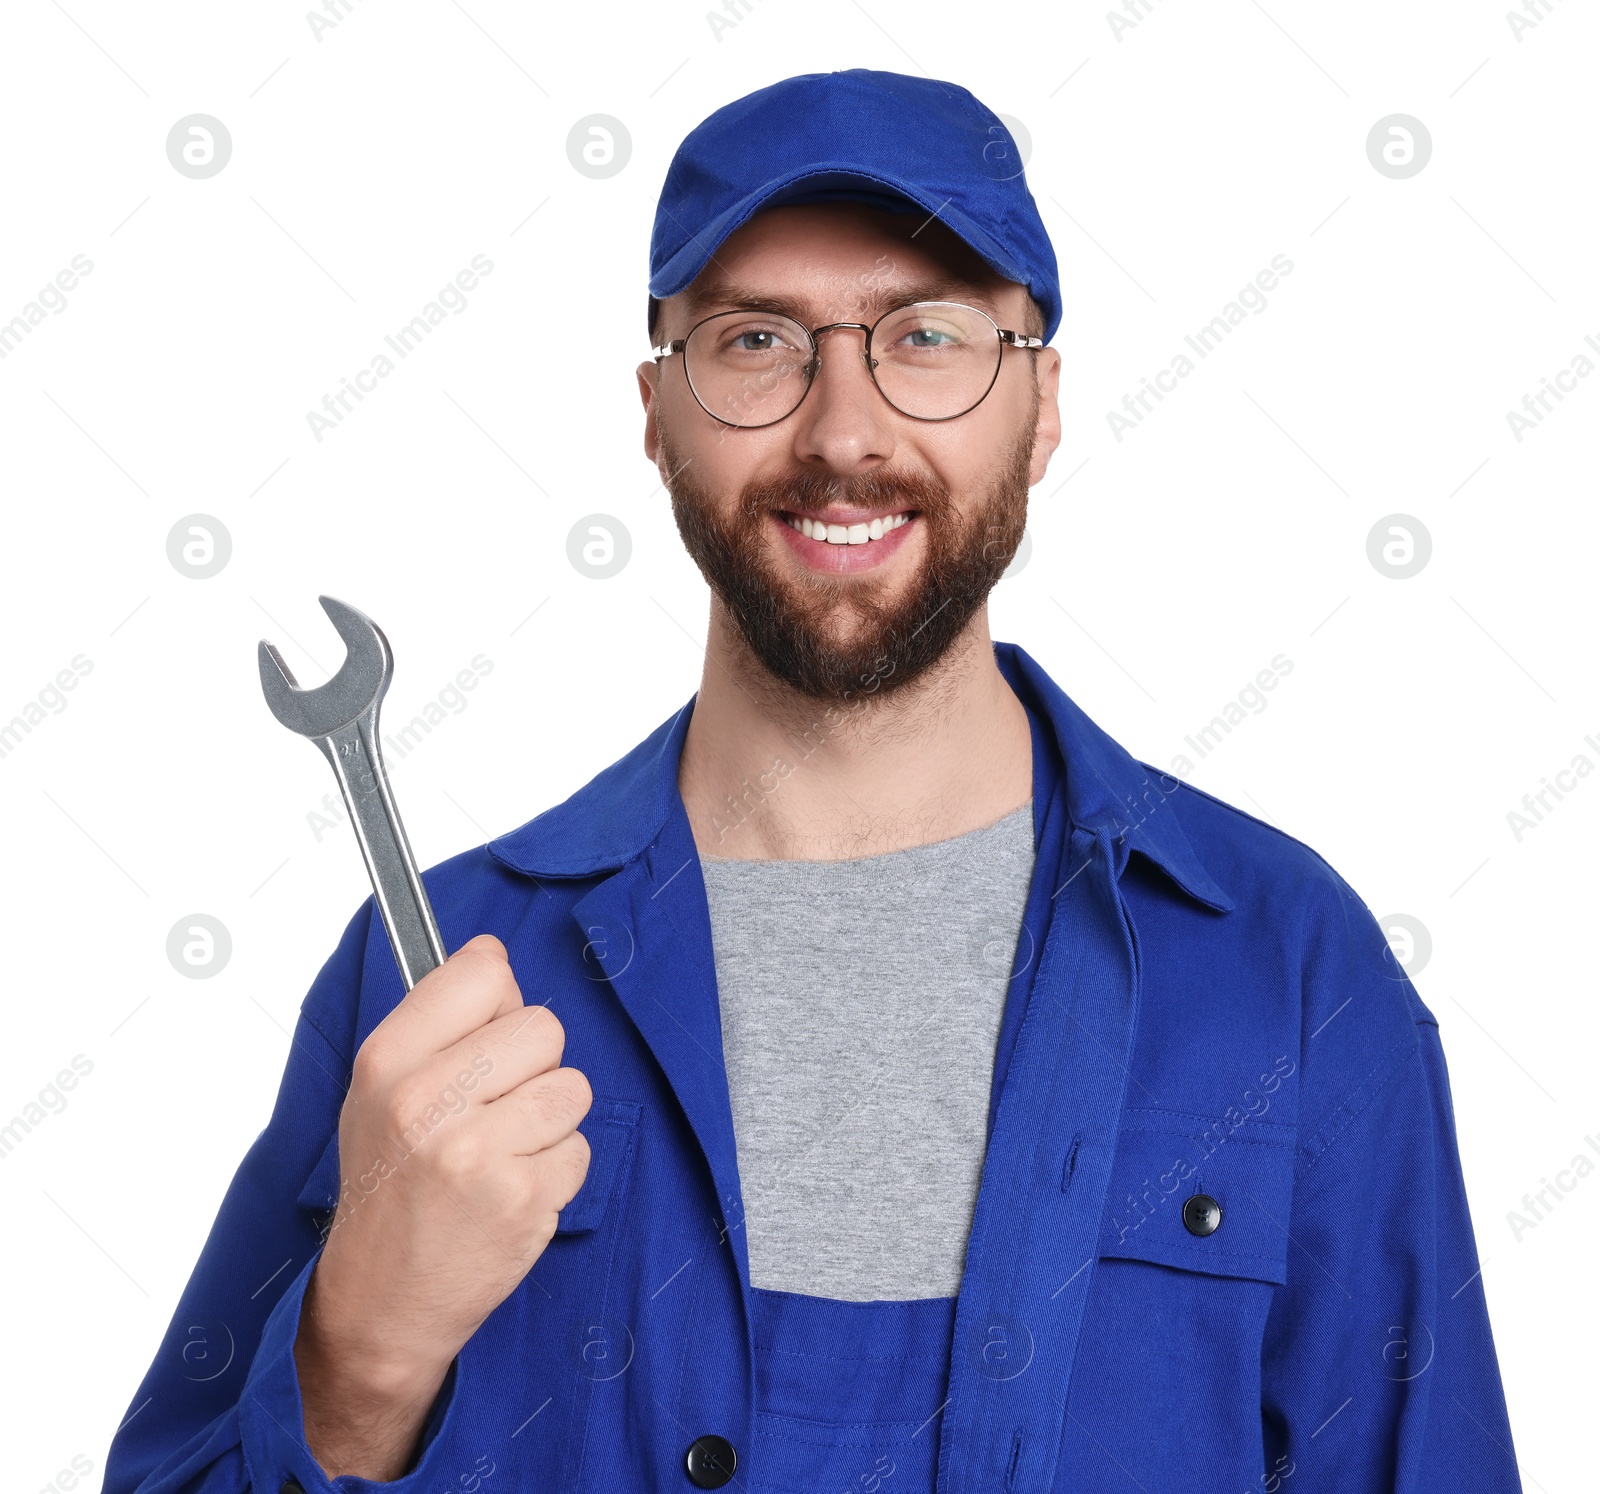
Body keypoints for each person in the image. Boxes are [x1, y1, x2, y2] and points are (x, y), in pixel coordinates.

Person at [104, 68, 1523, 1493]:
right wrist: (358, 1360)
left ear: (1040, 403)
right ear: (655, 414)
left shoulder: (1291, 972)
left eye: (928, 335)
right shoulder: (430, 987)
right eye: (756, 340)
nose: (844, 433)